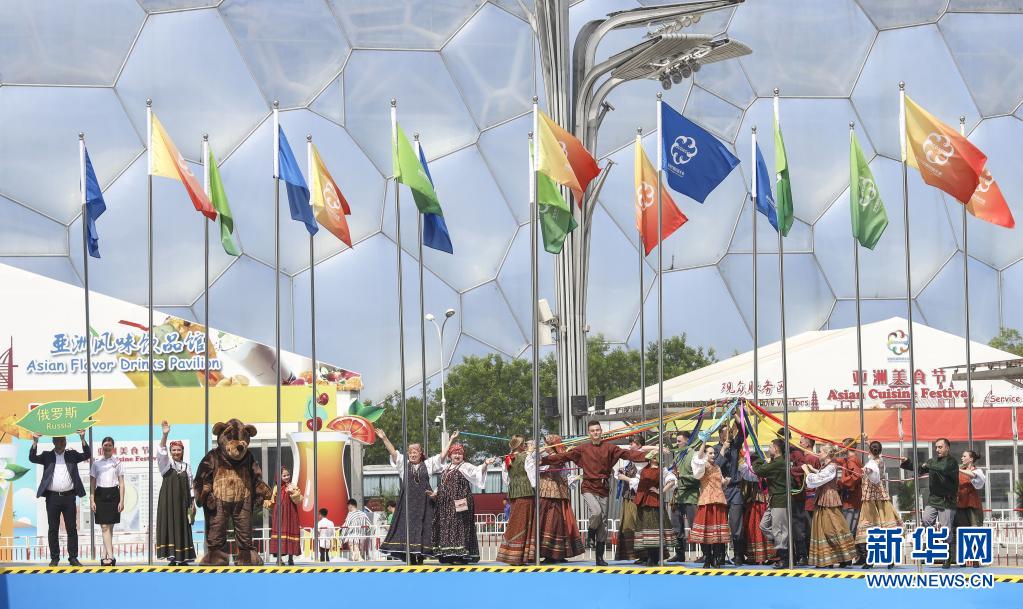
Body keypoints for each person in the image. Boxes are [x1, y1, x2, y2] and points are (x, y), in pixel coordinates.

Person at [541, 420, 648, 566]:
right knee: (596, 512)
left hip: (603, 488)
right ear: (589, 433)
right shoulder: (583, 448)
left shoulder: (610, 447)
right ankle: (590, 533)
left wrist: (647, 456)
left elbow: (627, 454)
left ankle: (599, 557)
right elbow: (563, 456)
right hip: (588, 487)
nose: (595, 433)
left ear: (601, 431)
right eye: (592, 431)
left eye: (597, 430)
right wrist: (543, 460)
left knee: (603, 523)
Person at [427, 431, 494, 564]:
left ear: (463, 455)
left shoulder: (465, 466)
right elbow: (443, 484)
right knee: (446, 527)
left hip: (460, 501)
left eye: (460, 453)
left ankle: (461, 555)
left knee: (460, 526)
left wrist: (485, 464)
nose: (457, 455)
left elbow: (477, 472)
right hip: (445, 504)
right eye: (454, 453)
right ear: (450, 455)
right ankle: (447, 554)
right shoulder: (446, 467)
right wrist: (435, 493)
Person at [29, 430, 90, 567]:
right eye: (58, 440)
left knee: (71, 528)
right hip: (52, 498)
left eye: (63, 440)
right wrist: (35, 441)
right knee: (53, 529)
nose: (61, 443)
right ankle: (54, 558)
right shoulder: (47, 456)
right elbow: (32, 458)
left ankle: (73, 558)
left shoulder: (72, 455)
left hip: (69, 497)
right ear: (53, 442)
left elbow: (87, 454)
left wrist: (82, 438)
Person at [377, 429, 435, 564]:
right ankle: (410, 555)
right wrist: (384, 438)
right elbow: (394, 453)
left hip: (424, 503)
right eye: (410, 452)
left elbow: (442, 457)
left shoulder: (427, 465)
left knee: (425, 527)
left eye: (415, 452)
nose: (413, 454)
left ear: (420, 453)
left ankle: (421, 555)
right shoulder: (404, 464)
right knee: (407, 528)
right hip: (408, 503)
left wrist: (450, 441)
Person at [901, 437, 959, 568]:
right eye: (936, 447)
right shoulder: (932, 461)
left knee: (946, 529)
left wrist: (927, 465)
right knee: (926, 520)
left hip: (947, 500)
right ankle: (933, 545)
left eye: (940, 447)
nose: (937, 449)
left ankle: (948, 556)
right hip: (933, 499)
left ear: (947, 448)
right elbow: (920, 469)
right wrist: (907, 463)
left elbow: (943, 468)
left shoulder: (952, 462)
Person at [803, 445, 857, 568]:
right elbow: (821, 474)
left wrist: (807, 471)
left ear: (827, 454)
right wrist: (813, 470)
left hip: (829, 499)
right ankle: (827, 559)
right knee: (821, 527)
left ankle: (844, 557)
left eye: (820, 451)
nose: (818, 453)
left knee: (832, 528)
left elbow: (818, 479)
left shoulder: (832, 466)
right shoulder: (826, 466)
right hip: (822, 498)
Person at [534, 434, 584, 564]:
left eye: (546, 444)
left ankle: (557, 553)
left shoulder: (560, 458)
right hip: (546, 493)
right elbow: (533, 465)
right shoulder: (543, 458)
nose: (544, 446)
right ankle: (549, 554)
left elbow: (564, 474)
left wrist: (574, 478)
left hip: (557, 494)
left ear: (552, 445)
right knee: (546, 522)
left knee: (557, 522)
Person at [856, 441, 900, 570]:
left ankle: (872, 560)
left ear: (870, 451)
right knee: (881, 529)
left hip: (872, 498)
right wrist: (868, 441)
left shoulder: (874, 463)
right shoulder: (879, 460)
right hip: (879, 497)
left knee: (872, 529)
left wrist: (868, 472)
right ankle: (887, 559)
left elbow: (874, 477)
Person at [156, 421, 195, 566]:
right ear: (171, 451)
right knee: (170, 526)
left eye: (179, 450)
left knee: (183, 526)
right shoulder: (166, 464)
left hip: (184, 503)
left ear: (182, 451)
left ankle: (183, 558)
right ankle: (172, 558)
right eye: (174, 450)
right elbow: (161, 451)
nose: (176, 452)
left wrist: (192, 503)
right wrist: (165, 435)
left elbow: (191, 486)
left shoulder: (186, 467)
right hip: (168, 502)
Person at [747, 438, 791, 569]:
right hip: (774, 499)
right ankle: (780, 546)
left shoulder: (779, 463)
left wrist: (758, 460)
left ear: (776, 449)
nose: (769, 449)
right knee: (764, 526)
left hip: (780, 499)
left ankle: (783, 557)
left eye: (771, 447)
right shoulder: (775, 462)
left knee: (779, 529)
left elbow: (759, 471)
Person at [633, 449, 676, 567]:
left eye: (658, 455)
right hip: (642, 501)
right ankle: (647, 556)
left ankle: (653, 557)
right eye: (654, 455)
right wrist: (655, 448)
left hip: (653, 501)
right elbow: (639, 450)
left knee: (654, 529)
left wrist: (660, 491)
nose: (655, 457)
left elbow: (672, 481)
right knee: (644, 529)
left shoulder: (662, 470)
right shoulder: (643, 468)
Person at [497, 435, 536, 565]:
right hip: (526, 492)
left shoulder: (507, 459)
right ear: (520, 446)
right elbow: (532, 475)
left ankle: (513, 553)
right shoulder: (526, 457)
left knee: (515, 521)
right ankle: (519, 555)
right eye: (524, 444)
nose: (525, 445)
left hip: (513, 493)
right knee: (523, 522)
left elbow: (505, 479)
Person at [690, 443, 730, 568]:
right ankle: (708, 557)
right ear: (705, 454)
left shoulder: (717, 467)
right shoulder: (702, 465)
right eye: (710, 453)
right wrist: (703, 442)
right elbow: (698, 464)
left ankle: (716, 557)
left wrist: (726, 481)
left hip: (718, 501)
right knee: (705, 531)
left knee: (717, 532)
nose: (713, 455)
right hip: (706, 501)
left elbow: (721, 482)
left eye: (714, 453)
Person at [89, 436, 125, 566]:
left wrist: (122, 500)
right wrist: (92, 500)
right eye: (105, 445)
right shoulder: (96, 463)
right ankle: (111, 556)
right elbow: (92, 483)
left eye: (110, 445)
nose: (107, 447)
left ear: (113, 447)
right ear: (102, 447)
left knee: (110, 527)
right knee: (104, 526)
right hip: (100, 494)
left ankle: (104, 555)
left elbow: (122, 482)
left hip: (114, 494)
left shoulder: (118, 462)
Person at [715, 422, 746, 565]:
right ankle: (720, 555)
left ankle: (738, 555)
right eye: (725, 432)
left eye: (730, 431)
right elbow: (716, 466)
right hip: (720, 490)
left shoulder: (735, 446)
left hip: (735, 489)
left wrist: (736, 414)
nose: (729, 434)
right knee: (720, 524)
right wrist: (723, 449)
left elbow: (744, 431)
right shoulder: (715, 449)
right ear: (720, 434)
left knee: (736, 523)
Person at [613, 435, 645, 562]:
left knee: (637, 525)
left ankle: (643, 554)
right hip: (627, 496)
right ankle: (632, 554)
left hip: (636, 497)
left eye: (632, 444)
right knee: (627, 526)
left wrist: (625, 478)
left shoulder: (642, 459)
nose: (630, 446)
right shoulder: (629, 460)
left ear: (639, 445)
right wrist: (622, 472)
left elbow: (640, 480)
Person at [736, 447, 770, 566]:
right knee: (754, 528)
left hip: (760, 503)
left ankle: (759, 556)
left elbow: (747, 474)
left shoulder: (759, 472)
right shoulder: (761, 470)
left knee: (756, 528)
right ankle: (762, 556)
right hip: (757, 502)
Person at [669, 430, 699, 563]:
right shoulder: (677, 456)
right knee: (676, 526)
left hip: (691, 495)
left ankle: (705, 554)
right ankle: (680, 554)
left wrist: (682, 476)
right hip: (677, 496)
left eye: (679, 441)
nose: (677, 443)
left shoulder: (694, 455)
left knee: (695, 525)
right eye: (677, 441)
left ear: (687, 441)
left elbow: (698, 477)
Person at [952, 449, 986, 567]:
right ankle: (962, 558)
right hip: (960, 504)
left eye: (964, 456)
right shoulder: (959, 471)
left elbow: (973, 476)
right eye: (962, 456)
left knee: (974, 532)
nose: (962, 458)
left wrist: (959, 469)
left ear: (971, 459)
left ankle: (975, 559)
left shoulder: (977, 471)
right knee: (961, 532)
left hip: (972, 504)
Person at [835, 437, 865, 566]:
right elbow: (839, 461)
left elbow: (856, 476)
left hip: (851, 499)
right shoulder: (849, 459)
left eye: (842, 446)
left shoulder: (852, 461)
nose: (840, 448)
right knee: (852, 528)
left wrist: (841, 482)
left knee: (848, 528)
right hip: (852, 498)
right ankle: (860, 556)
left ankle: (847, 558)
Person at [266, 466, 303, 565]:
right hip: (279, 514)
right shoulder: (276, 488)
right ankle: (279, 559)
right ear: (279, 477)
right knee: (279, 533)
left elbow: (299, 499)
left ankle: (291, 558)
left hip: (291, 513)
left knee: (291, 531)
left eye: (288, 475)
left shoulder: (293, 486)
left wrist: (292, 492)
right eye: (284, 475)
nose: (287, 477)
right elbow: (272, 501)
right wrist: (266, 503)